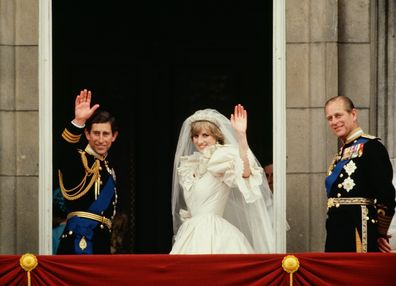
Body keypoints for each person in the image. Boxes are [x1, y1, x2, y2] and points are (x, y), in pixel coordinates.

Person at [170, 104, 275, 254]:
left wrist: (241, 136)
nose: (199, 141)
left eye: (205, 135)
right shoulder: (189, 165)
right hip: (191, 234)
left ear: (216, 136)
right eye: (195, 136)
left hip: (215, 234)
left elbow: (245, 173)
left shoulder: (221, 157)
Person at [324, 95, 395, 252]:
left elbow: (386, 194)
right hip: (336, 231)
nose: (334, 122)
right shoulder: (341, 154)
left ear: (353, 114)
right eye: (329, 118)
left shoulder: (371, 147)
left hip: (359, 229)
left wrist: (379, 233)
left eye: (338, 115)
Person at [57, 89, 119, 254]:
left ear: (114, 136)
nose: (100, 139)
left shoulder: (108, 168)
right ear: (87, 134)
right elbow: (63, 152)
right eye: (95, 133)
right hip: (78, 240)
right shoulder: (79, 160)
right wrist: (78, 121)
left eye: (105, 134)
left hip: (101, 241)